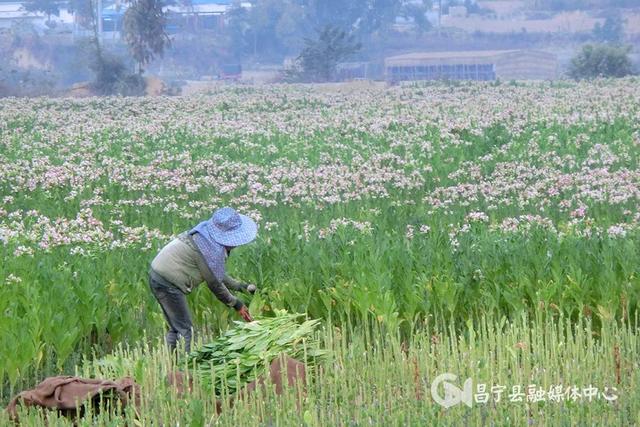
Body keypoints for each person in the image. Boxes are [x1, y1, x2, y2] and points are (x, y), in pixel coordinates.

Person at [149, 207, 258, 353]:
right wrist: (236, 303)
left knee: (176, 328)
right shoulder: (208, 248)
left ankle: (172, 365)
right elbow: (214, 283)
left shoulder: (205, 237)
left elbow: (214, 273)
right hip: (167, 282)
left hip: (159, 275)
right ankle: (184, 368)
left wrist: (240, 286)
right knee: (186, 330)